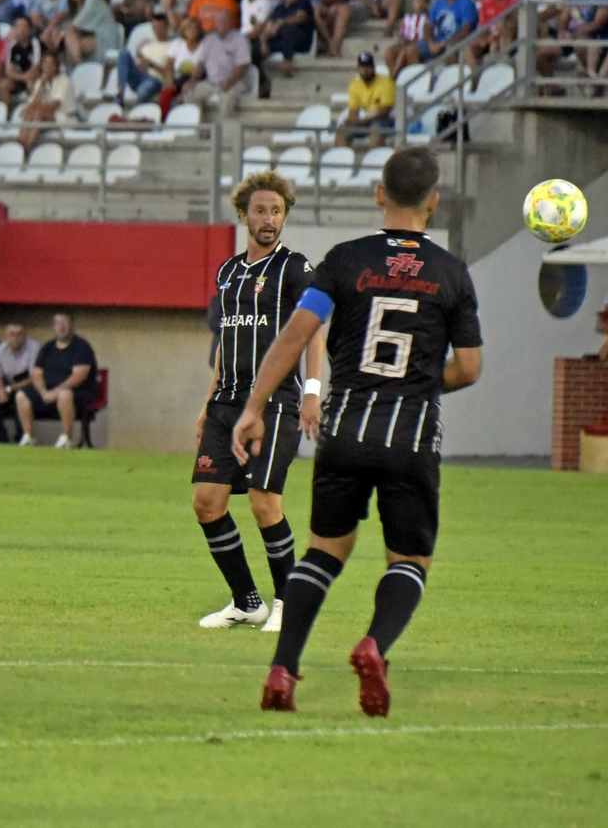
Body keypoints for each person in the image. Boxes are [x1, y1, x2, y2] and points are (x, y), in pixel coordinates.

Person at [233, 147, 483, 716]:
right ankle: (374, 644)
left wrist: (254, 407)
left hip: (344, 431)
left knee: (323, 552)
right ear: (434, 202)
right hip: (410, 435)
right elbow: (469, 368)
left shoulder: (343, 261)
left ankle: (282, 667)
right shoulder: (451, 273)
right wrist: (417, 387)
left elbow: (296, 335)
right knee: (408, 561)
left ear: (378, 195)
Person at [191, 170, 323, 632]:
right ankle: (247, 602)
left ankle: (287, 603)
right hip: (227, 402)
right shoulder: (227, 273)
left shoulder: (295, 267)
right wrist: (209, 402)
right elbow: (226, 344)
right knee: (207, 503)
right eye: (261, 210)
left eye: (277, 211)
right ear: (243, 214)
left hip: (276, 402)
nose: (269, 219)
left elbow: (311, 331)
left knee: (265, 503)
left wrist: (312, 391)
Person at [14, 312, 98, 449]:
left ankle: (66, 438)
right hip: (48, 393)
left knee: (65, 394)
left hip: (78, 394)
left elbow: (79, 376)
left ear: (72, 326)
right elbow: (36, 374)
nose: (61, 327)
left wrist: (57, 391)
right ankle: (28, 436)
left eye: (64, 323)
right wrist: (43, 392)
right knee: (21, 395)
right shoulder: (48, 347)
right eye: (58, 323)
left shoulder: (82, 347)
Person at [0, 322, 40, 441]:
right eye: (12, 334)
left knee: (21, 395)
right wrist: (0, 389)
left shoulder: (34, 348)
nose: (15, 338)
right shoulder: (0, 349)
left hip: (28, 384)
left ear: (25, 336)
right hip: (9, 384)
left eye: (19, 334)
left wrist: (9, 389)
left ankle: (22, 436)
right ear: (6, 337)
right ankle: (0, 438)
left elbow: (34, 377)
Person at [338, 52, 395, 148]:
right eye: (362, 67)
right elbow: (353, 111)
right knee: (343, 129)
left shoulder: (386, 82)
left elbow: (385, 111)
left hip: (385, 119)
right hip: (365, 119)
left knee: (376, 128)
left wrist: (366, 120)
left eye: (368, 67)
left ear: (373, 67)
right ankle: (342, 160)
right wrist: (354, 121)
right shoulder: (355, 85)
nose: (365, 70)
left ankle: (373, 160)